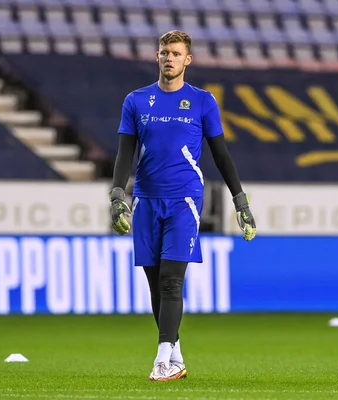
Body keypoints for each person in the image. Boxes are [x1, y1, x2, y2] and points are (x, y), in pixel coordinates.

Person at [108, 30, 256, 381]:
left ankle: (162, 359)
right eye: (164, 52)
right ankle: (175, 354)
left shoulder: (203, 101)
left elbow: (221, 154)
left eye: (175, 53)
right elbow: (125, 152)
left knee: (172, 282)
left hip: (185, 200)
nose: (169, 58)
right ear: (157, 57)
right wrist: (117, 195)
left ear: (187, 60)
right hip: (145, 199)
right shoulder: (137, 101)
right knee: (155, 283)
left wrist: (240, 201)